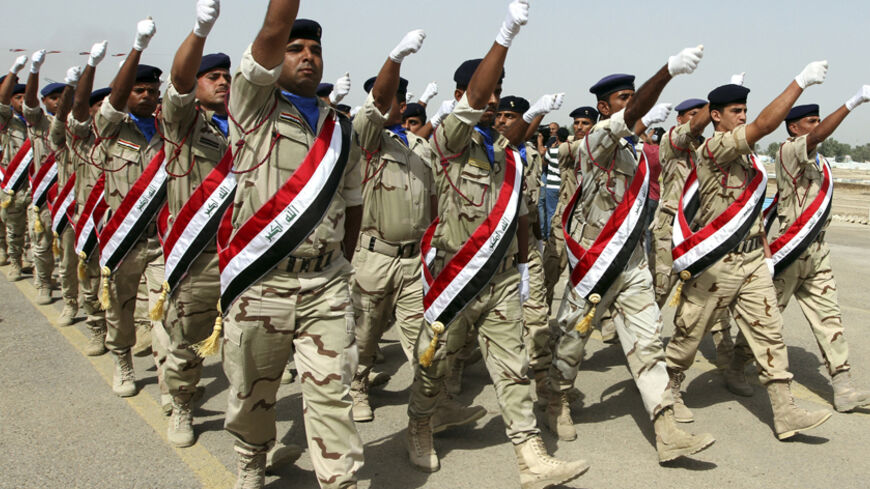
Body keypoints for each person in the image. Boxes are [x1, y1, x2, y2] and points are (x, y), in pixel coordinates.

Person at [407, 2, 589, 487]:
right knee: (433, 363)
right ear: (462, 97)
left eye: (498, 93)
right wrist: (505, 35)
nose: (492, 101)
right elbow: (473, 99)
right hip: (454, 276)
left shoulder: (509, 155)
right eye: (484, 93)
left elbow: (523, 214)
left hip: (504, 277)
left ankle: (530, 457)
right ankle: (420, 424)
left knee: (512, 370)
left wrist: (525, 267)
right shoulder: (449, 140)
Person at [547, 43, 717, 464]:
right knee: (572, 341)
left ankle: (666, 429)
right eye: (625, 98)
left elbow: (677, 136)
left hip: (633, 264)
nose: (634, 103)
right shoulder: (597, 140)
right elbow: (634, 113)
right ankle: (557, 399)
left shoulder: (634, 150)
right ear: (604, 108)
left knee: (648, 345)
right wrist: (668, 71)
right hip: (596, 262)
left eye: (633, 96)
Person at [218, 4, 364, 486]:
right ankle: (252, 456)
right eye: (295, 48)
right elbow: (271, 30)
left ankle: (338, 480)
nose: (307, 57)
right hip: (263, 280)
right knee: (253, 391)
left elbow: (352, 202)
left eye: (315, 50)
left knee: (333, 393)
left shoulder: (340, 128)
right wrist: (278, 27)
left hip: (326, 283)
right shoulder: (253, 106)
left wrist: (339, 262)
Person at [665, 61, 833, 441]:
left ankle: (785, 411)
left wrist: (765, 253)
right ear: (716, 116)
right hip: (717, 263)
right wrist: (800, 82)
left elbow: (753, 207)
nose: (743, 116)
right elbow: (765, 126)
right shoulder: (714, 148)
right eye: (736, 111)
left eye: (745, 110)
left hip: (754, 260)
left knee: (770, 333)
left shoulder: (749, 157)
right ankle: (670, 388)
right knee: (689, 334)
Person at [156, 0, 229, 448]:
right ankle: (182, 403)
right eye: (212, 76)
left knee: (248, 342)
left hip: (243, 253)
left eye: (225, 77)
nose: (222, 82)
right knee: (188, 339)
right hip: (199, 255)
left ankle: (249, 430)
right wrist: (200, 31)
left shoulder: (245, 126)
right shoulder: (183, 121)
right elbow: (179, 82)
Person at [769, 95, 870, 413]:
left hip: (817, 253)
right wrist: (851, 104)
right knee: (766, 319)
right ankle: (735, 365)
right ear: (794, 128)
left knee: (830, 321)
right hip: (790, 252)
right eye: (811, 122)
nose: (817, 126)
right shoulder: (788, 151)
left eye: (817, 120)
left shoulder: (821, 162)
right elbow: (818, 136)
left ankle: (843, 387)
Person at [92, 17, 166, 399]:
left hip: (162, 241)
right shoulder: (112, 128)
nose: (147, 96)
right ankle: (122, 360)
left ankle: (170, 385)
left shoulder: (169, 130)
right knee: (120, 309)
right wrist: (138, 47)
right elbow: (113, 99)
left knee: (165, 313)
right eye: (139, 90)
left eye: (152, 90)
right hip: (124, 238)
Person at [493, 94, 554, 403]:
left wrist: (540, 238)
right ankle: (453, 375)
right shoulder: (489, 149)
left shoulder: (531, 154)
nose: (502, 121)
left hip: (526, 244)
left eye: (510, 117)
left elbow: (534, 198)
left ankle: (544, 382)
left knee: (537, 316)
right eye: (500, 115)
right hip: (491, 247)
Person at [68, 40, 111, 356]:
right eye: (100, 105)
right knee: (91, 280)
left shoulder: (127, 135)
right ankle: (97, 329)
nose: (105, 109)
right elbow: (79, 106)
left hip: (123, 221)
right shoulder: (82, 138)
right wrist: (91, 66)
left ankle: (124, 338)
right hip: (91, 221)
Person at [541, 106, 597, 309]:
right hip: (564, 217)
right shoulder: (567, 147)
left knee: (584, 274)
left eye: (585, 123)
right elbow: (578, 149)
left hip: (589, 220)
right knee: (551, 268)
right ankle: (541, 314)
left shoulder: (601, 148)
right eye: (576, 123)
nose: (579, 127)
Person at [21, 50, 63, 306]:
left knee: (70, 252)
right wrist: (34, 70)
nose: (58, 102)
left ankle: (72, 296)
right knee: (42, 245)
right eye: (53, 98)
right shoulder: (39, 123)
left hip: (67, 196)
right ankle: (44, 283)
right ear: (44, 101)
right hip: (44, 196)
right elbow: (28, 104)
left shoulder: (76, 124)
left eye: (63, 97)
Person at [0, 58, 31, 281]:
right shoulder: (6, 120)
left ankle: (33, 263)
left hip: (33, 181)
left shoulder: (37, 120)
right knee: (12, 224)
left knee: (34, 227)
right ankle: (14, 260)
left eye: (25, 97)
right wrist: (14, 70)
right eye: (18, 97)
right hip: (10, 181)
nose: (22, 101)